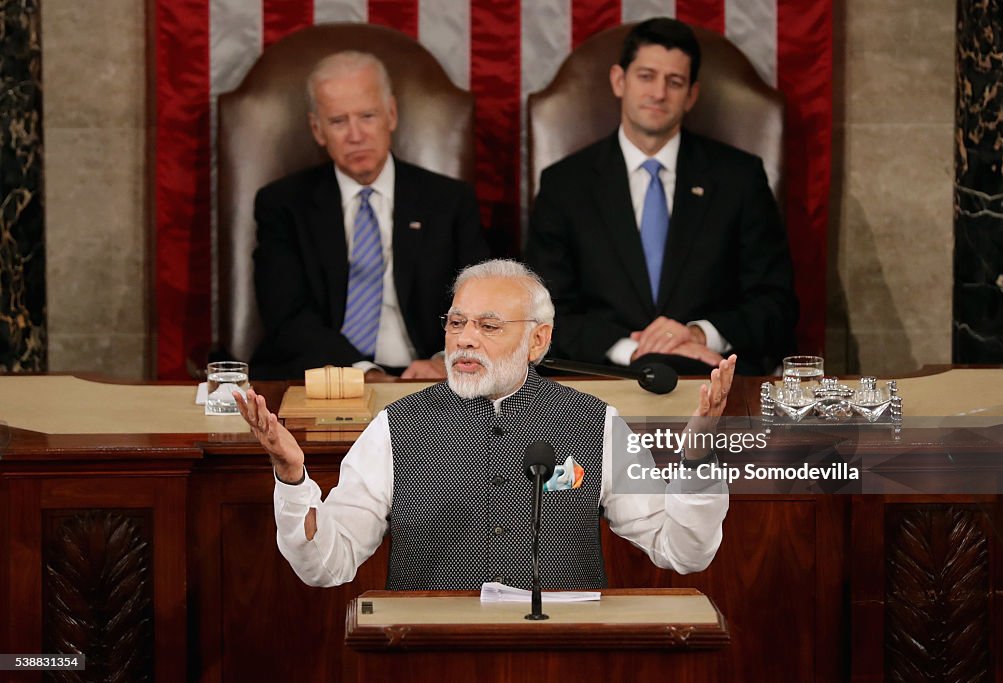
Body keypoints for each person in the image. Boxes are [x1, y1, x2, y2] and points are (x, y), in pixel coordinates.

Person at [236, 259, 733, 591]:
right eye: (456, 323)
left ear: (538, 342)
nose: (465, 340)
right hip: (429, 661)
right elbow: (327, 564)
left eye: (489, 326)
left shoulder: (596, 426)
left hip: (560, 659)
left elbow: (681, 551)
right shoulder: (395, 429)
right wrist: (293, 478)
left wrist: (694, 461)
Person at [525, 17, 798, 376]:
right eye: (646, 76)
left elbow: (776, 304)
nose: (658, 93)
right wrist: (634, 350)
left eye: (674, 82)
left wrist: (700, 335)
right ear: (619, 81)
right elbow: (543, 311)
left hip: (712, 377)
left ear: (692, 95)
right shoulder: (565, 184)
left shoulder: (739, 178)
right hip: (601, 380)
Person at [250, 51, 489, 381]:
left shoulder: (449, 201)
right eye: (338, 122)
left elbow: (482, 304)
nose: (355, 134)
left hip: (426, 378)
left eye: (367, 116)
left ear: (390, 115)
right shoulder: (283, 204)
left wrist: (444, 361)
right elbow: (287, 317)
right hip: (325, 375)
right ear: (317, 130)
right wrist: (365, 372)